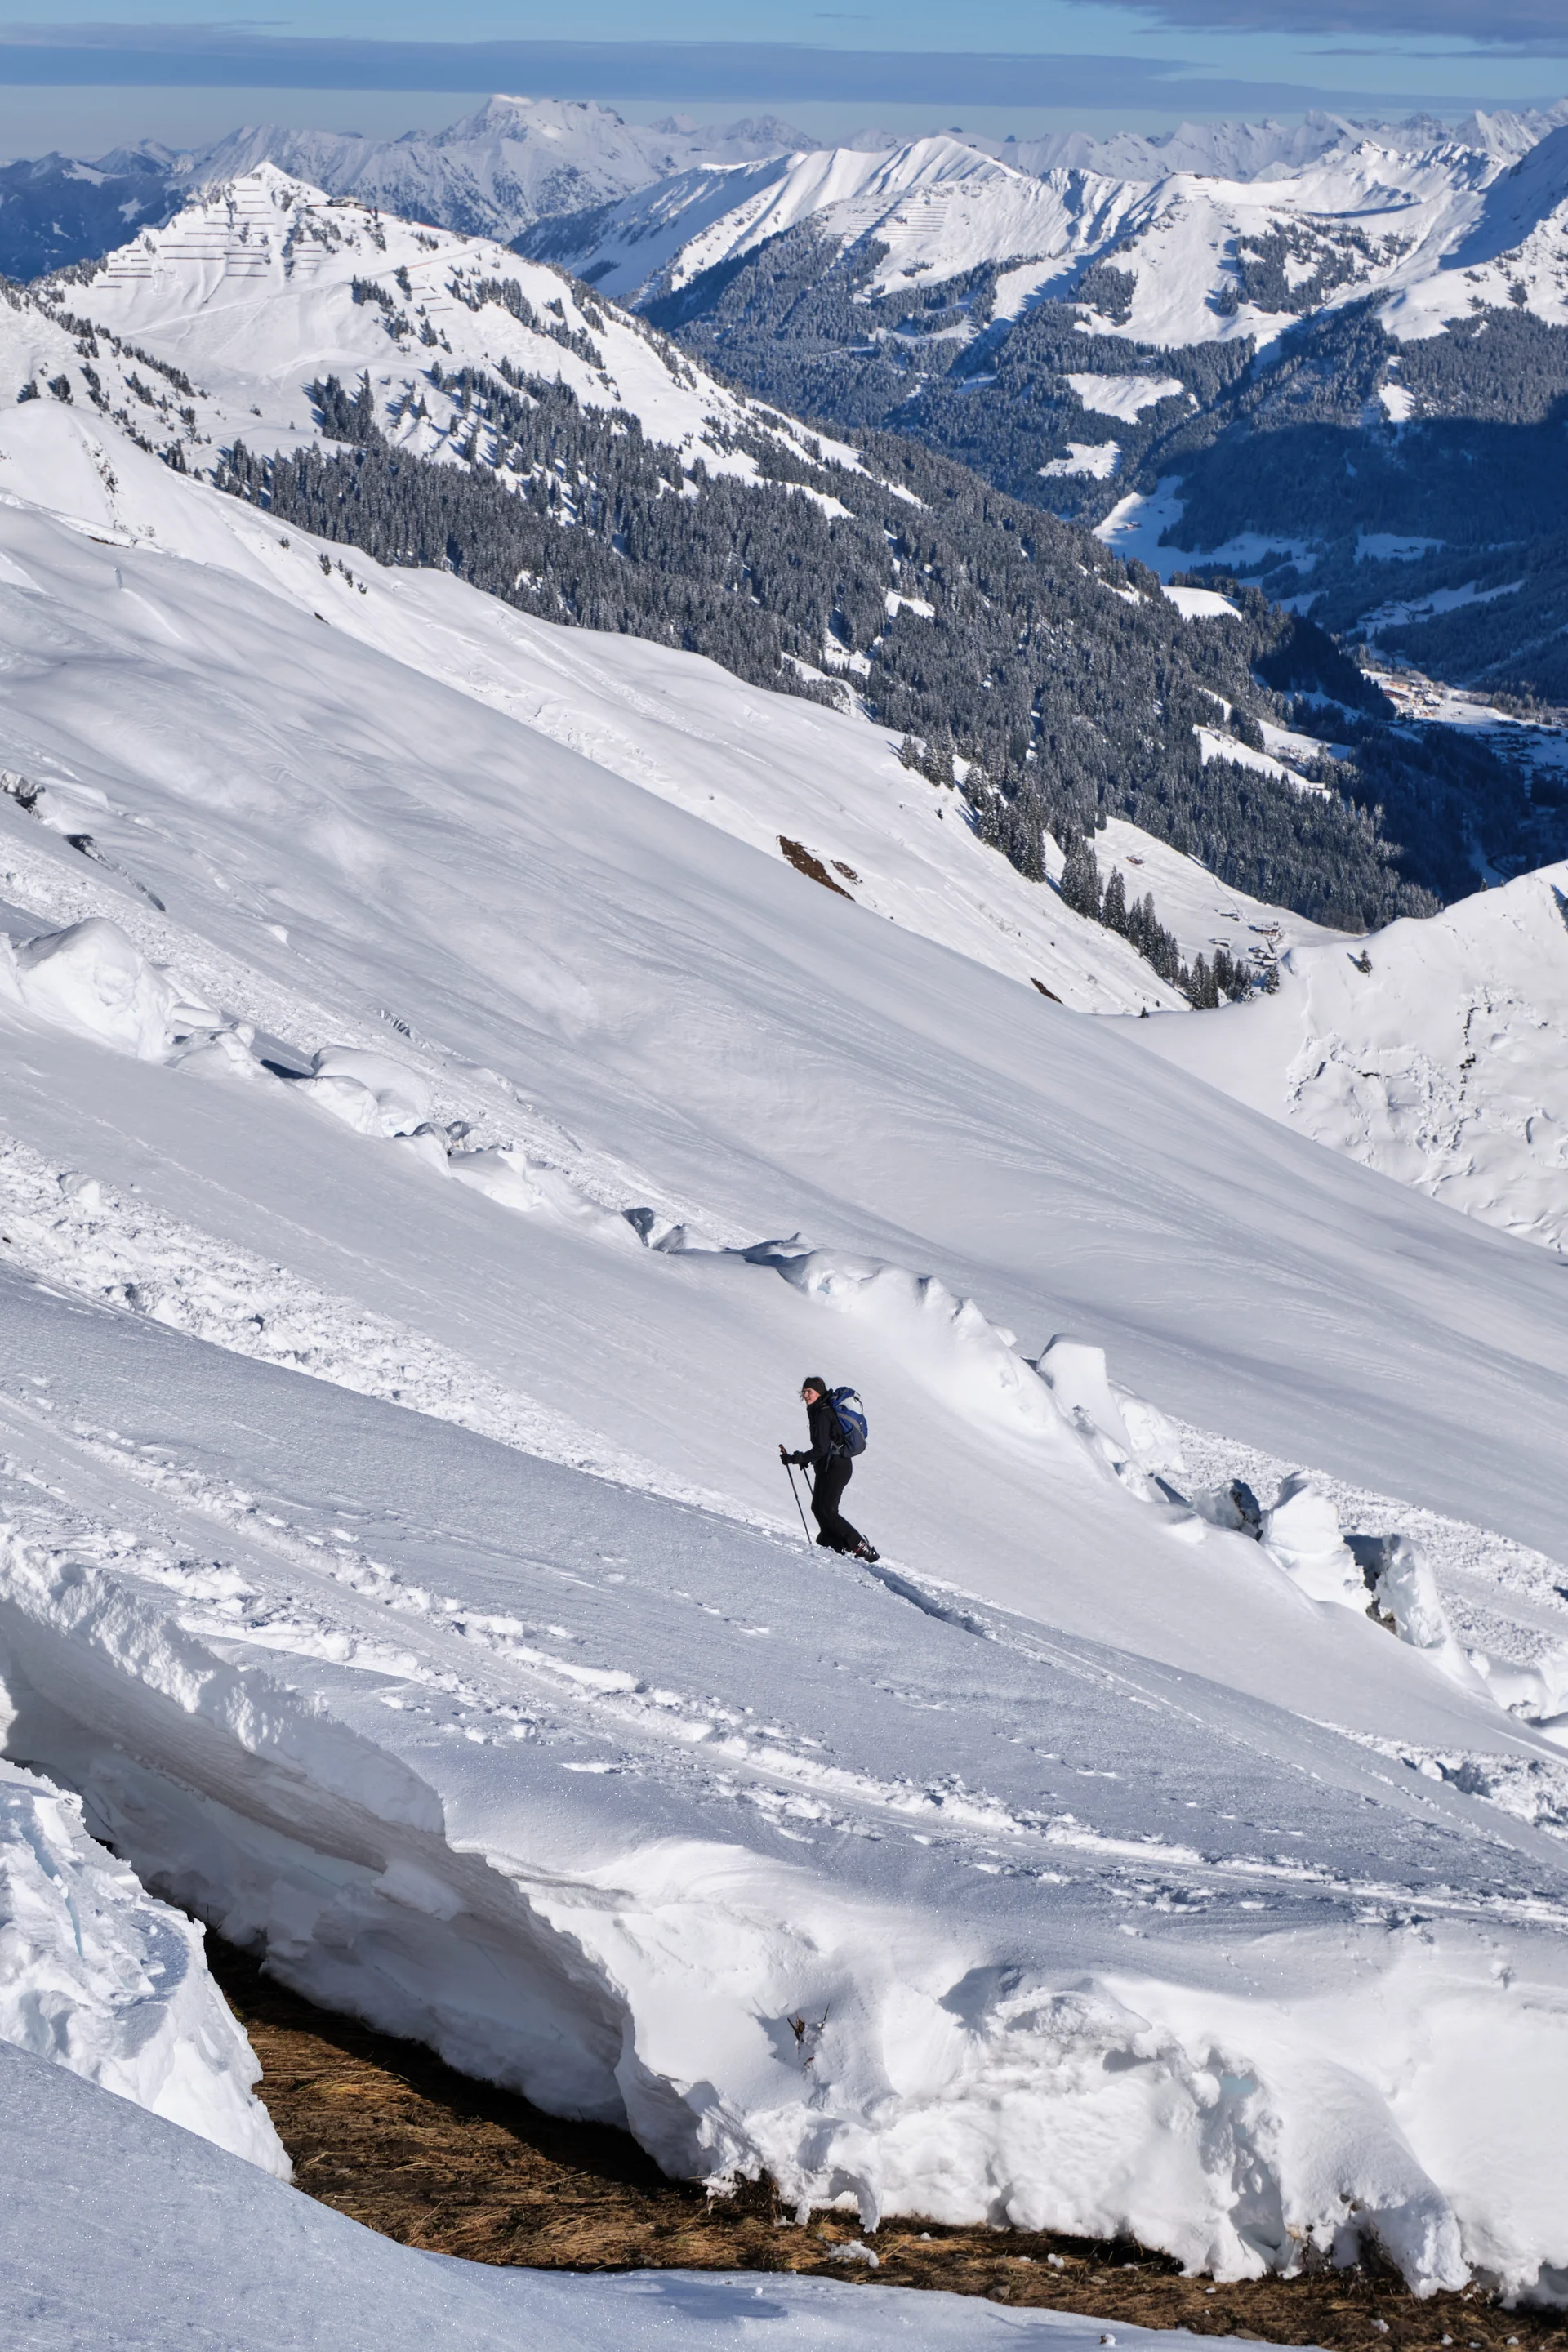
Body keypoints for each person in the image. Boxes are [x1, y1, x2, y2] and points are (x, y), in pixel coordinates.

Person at [780, 1376, 878, 1561]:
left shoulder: (823, 1413)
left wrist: (796, 1458)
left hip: (837, 1467)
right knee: (818, 1507)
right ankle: (834, 1541)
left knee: (828, 1511)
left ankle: (860, 1546)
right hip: (827, 1464)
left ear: (819, 1392)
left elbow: (821, 1448)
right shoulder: (817, 1411)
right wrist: (805, 1458)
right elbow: (823, 1447)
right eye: (805, 1391)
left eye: (810, 1391)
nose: (806, 1395)